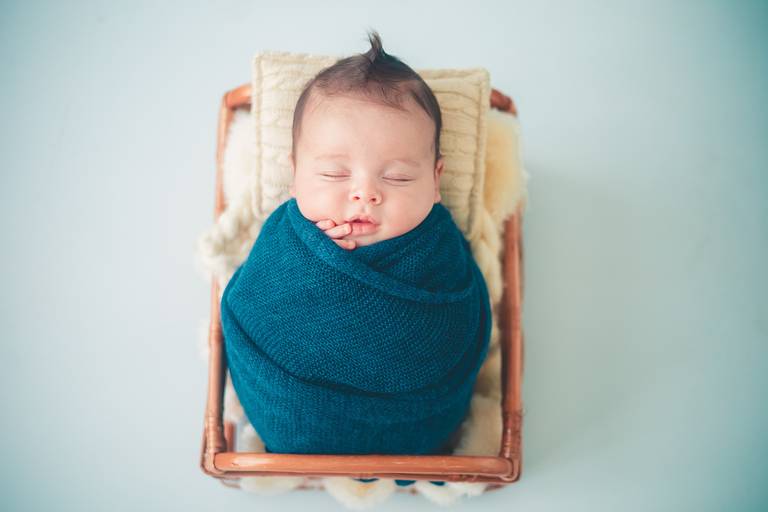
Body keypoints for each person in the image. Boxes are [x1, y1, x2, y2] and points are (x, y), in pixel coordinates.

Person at [220, 30, 491, 456]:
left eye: (398, 177)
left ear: (436, 181)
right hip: (290, 408)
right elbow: (250, 302)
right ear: (295, 175)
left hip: (418, 420)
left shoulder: (438, 248)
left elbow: (459, 322)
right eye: (334, 174)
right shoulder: (286, 238)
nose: (365, 194)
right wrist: (305, 263)